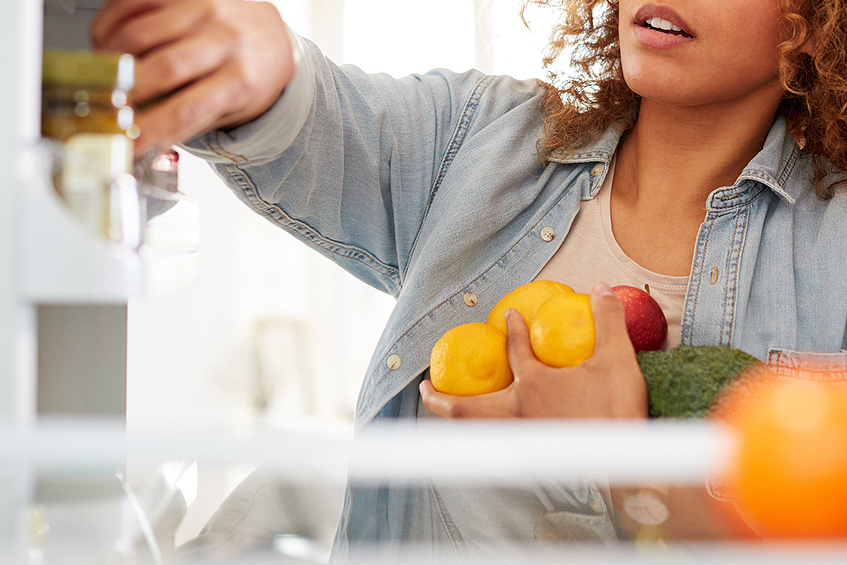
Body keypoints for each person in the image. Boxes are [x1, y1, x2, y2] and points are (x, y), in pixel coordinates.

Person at [92, 0, 847, 559]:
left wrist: (623, 459)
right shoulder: (482, 142)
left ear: (814, 20)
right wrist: (257, 66)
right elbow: (313, 111)